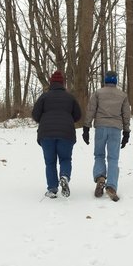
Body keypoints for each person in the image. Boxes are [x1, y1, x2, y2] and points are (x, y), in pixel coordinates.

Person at [81, 70, 131, 202]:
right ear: (116, 80)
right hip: (115, 129)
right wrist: (126, 132)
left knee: (99, 155)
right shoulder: (122, 95)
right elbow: (126, 114)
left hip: (101, 128)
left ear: (105, 80)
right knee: (113, 158)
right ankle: (111, 187)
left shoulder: (98, 93)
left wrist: (86, 127)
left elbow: (91, 110)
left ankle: (100, 177)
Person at [32, 70, 82, 198]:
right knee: (65, 159)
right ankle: (64, 176)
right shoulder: (70, 98)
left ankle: (52, 189)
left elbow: (35, 115)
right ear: (63, 83)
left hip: (46, 134)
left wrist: (44, 119)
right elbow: (78, 115)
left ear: (51, 83)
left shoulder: (44, 97)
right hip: (66, 134)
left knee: (50, 162)